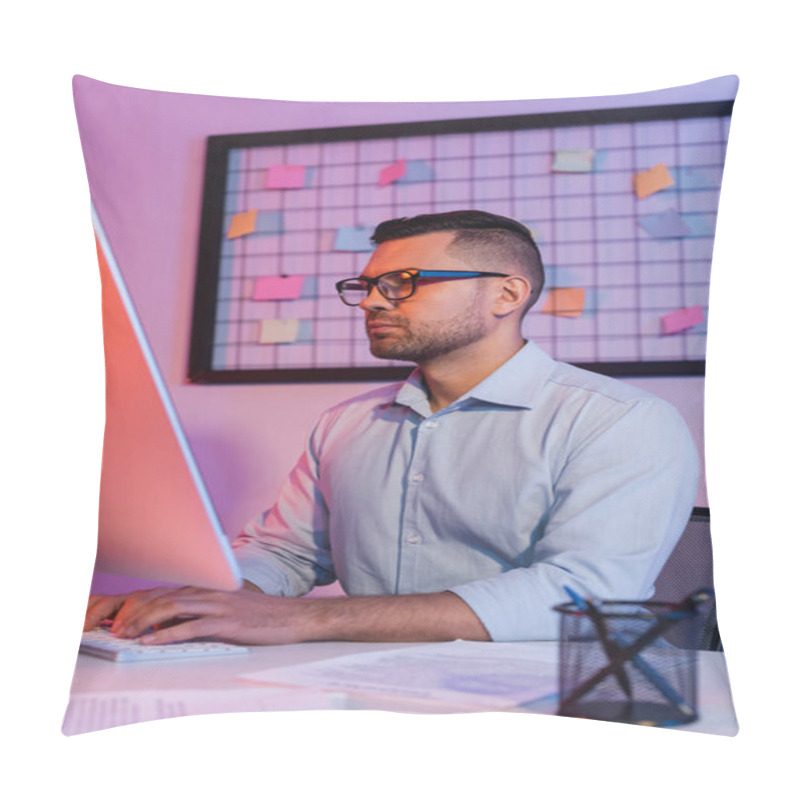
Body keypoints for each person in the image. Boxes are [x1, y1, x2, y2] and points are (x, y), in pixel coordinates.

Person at [84, 210, 699, 646]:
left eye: (403, 283)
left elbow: (580, 595)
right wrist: (196, 601)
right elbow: (287, 551)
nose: (374, 301)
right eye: (368, 286)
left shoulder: (620, 421)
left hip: (533, 697)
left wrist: (305, 621)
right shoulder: (346, 423)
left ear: (507, 294)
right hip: (354, 679)